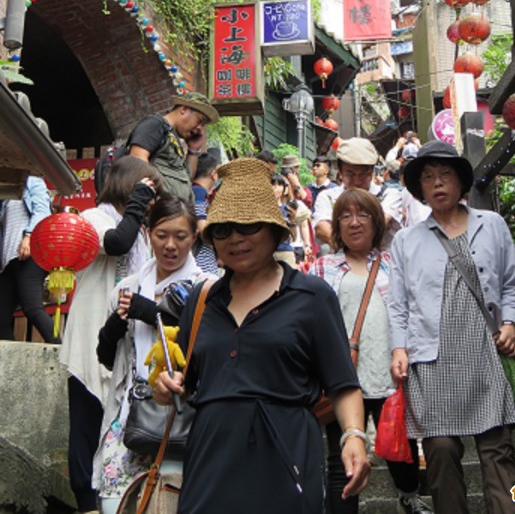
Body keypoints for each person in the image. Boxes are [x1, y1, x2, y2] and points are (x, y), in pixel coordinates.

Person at [152, 157, 371, 514]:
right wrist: (165, 388)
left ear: (274, 231)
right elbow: (186, 383)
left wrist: (354, 437)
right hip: (211, 459)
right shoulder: (201, 299)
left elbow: (343, 384)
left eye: (249, 225)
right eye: (223, 229)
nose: (236, 238)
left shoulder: (311, 296)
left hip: (286, 456)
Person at [388, 141, 515, 514]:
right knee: (440, 451)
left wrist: (512, 323)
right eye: (428, 177)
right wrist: (399, 348)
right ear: (419, 188)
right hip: (431, 361)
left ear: (460, 181)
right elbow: (399, 304)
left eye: (445, 175)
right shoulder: (406, 241)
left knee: (498, 451)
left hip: (484, 351)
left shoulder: (492, 225)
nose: (437, 184)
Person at [309, 189, 431, 514]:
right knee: (341, 458)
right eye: (345, 216)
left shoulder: (394, 263)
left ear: (377, 223)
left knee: (399, 449)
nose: (354, 223)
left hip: (388, 371)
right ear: (336, 225)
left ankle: (408, 495)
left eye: (362, 215)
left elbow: (412, 310)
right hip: (342, 376)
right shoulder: (322, 267)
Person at [59, 156, 162, 514]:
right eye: (146, 192)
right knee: (87, 420)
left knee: (117, 419)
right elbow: (116, 243)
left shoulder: (142, 231)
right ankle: (86, 502)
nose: (150, 203)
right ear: (128, 186)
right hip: (91, 332)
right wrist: (136, 202)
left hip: (124, 338)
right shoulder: (94, 218)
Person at [94, 195, 203, 514]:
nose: (170, 245)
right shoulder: (128, 287)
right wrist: (114, 327)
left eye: (181, 236)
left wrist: (154, 313)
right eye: (161, 235)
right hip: (130, 413)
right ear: (147, 233)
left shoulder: (206, 288)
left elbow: (206, 346)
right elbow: (108, 358)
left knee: (168, 503)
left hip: (180, 417)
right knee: (116, 505)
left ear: (194, 237)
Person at [128, 92, 219, 203]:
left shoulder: (173, 138)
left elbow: (186, 179)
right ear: (183, 110)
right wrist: (148, 202)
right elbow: (137, 161)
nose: (199, 128)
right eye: (200, 121)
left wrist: (193, 150)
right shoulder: (155, 125)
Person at [313, 138, 402, 250]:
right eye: (350, 174)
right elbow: (321, 227)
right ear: (340, 172)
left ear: (372, 171)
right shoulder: (328, 197)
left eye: (363, 174)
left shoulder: (388, 195)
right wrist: (347, 251)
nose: (357, 180)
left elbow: (384, 221)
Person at [0, 176, 57, 343]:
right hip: (9, 262)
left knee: (32, 308)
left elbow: (42, 211)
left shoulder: (32, 181)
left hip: (31, 255)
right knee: (1, 318)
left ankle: (60, 349)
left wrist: (29, 236)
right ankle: (7, 366)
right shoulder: (5, 195)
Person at [271, 172, 312, 265]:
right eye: (273, 184)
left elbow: (293, 237)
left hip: (286, 251)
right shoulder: (263, 209)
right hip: (267, 253)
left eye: (280, 185)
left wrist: (292, 220)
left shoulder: (288, 208)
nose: (276, 188)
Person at [191, 152, 220, 276]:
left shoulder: (197, 192)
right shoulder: (198, 193)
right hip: (202, 264)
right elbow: (203, 228)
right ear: (213, 174)